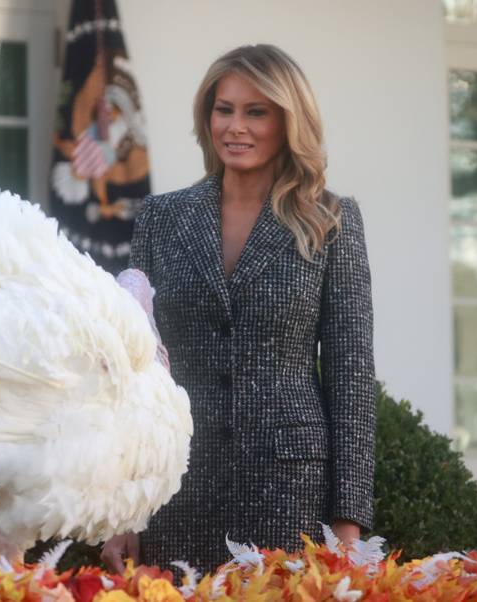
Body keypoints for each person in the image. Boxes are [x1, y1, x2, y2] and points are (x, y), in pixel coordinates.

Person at [102, 44, 375, 571]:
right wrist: (123, 512)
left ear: (288, 121)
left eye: (257, 112)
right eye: (224, 109)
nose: (236, 126)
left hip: (291, 490)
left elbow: (351, 375)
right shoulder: (161, 217)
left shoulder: (332, 221)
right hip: (177, 484)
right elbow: (135, 374)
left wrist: (348, 521)